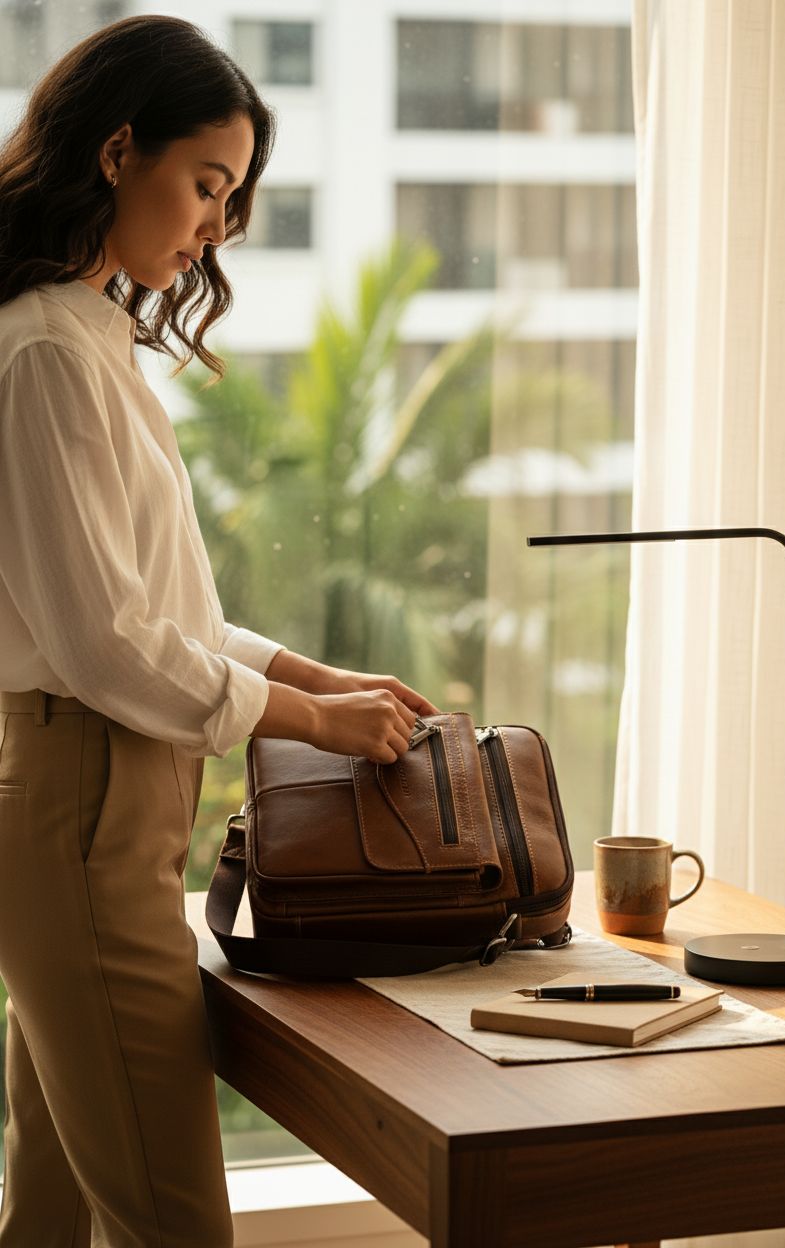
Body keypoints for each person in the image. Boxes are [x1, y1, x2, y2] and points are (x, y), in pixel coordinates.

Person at [0, 14, 438, 1247]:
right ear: (114, 149)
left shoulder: (88, 342)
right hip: (83, 795)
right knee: (171, 1214)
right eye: (206, 183)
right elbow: (104, 650)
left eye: (230, 196)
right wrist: (314, 722)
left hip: (105, 802)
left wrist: (313, 674)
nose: (214, 226)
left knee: (55, 1201)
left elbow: (151, 613)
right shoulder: (45, 355)